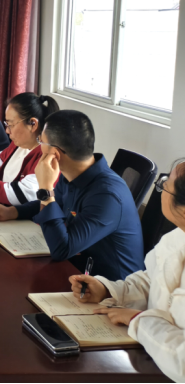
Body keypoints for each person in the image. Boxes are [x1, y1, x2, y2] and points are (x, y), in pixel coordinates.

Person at [0, 110, 144, 281]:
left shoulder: (108, 195)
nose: (39, 146)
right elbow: (55, 204)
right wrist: (12, 212)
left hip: (111, 288)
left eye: (41, 141)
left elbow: (62, 249)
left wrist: (45, 188)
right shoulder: (72, 173)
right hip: (77, 269)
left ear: (55, 153)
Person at [68, 160, 185, 382]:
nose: (161, 190)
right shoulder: (177, 236)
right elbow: (152, 281)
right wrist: (108, 290)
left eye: (165, 185)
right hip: (150, 359)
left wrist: (139, 320)